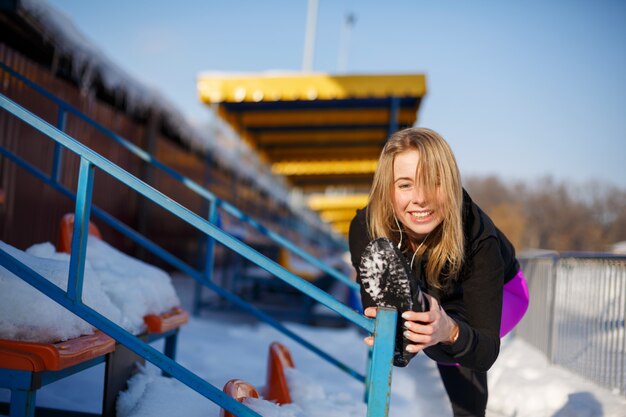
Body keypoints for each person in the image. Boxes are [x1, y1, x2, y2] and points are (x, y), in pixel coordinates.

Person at [349, 127, 529, 417]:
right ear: (388, 189)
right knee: (422, 324)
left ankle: (424, 311)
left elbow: (484, 352)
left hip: (507, 293)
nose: (420, 198)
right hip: (428, 286)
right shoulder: (365, 227)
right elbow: (376, 310)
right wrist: (387, 329)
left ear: (451, 184)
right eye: (405, 185)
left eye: (433, 182)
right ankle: (418, 308)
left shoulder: (479, 239)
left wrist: (450, 331)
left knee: (443, 342)